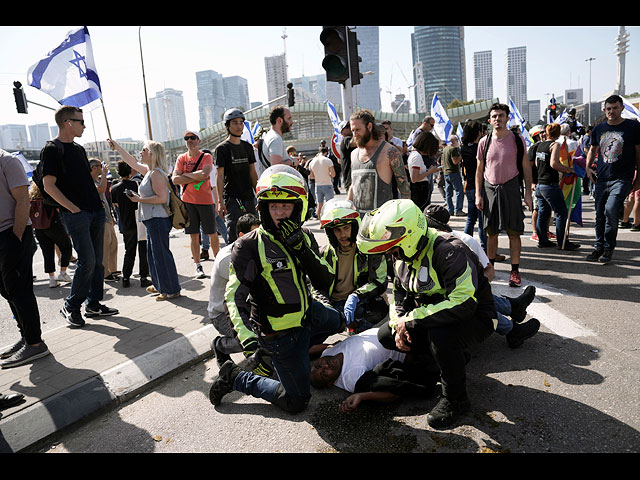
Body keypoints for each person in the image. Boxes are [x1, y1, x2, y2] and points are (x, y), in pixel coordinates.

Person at [209, 165, 344, 414]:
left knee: (340, 321)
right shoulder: (248, 246)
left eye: (286, 206)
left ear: (297, 207)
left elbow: (327, 282)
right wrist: (249, 342)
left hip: (307, 315)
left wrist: (301, 250)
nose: (280, 213)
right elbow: (233, 297)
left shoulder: (303, 236)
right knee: (297, 401)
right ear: (263, 208)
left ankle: (289, 358)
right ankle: (236, 377)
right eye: (273, 207)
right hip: (280, 335)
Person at [356, 199, 496, 429]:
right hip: (433, 311)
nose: (390, 253)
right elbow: (399, 295)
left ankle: (456, 398)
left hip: (476, 315)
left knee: (442, 337)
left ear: (408, 237)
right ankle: (445, 363)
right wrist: (398, 322)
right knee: (386, 335)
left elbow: (464, 302)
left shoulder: (449, 250)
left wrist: (411, 320)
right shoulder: (401, 255)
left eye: (392, 247)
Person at [41, 106, 118, 328]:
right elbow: (48, 185)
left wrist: (102, 180)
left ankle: (93, 304)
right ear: (67, 122)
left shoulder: (78, 149)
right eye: (81, 121)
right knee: (87, 261)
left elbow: (88, 184)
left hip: (95, 211)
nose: (84, 125)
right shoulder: (52, 149)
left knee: (98, 263)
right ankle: (71, 306)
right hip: (77, 215)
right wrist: (72, 208)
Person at [423, 204, 540, 349]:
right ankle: (512, 320)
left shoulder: (463, 241)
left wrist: (472, 287)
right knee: (469, 301)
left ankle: (512, 311)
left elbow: (488, 272)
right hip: (430, 301)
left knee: (472, 295)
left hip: (457, 293)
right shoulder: (416, 244)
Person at [108, 139, 182, 301]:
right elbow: (132, 162)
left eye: (144, 150)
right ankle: (159, 285)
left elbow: (162, 198)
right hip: (152, 219)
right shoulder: (150, 171)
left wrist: (138, 199)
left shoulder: (155, 173)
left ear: (152, 154)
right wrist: (117, 147)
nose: (141, 153)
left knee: (161, 256)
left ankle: (171, 290)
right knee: (153, 255)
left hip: (157, 219)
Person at [310, 328, 438, 413]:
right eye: (324, 374)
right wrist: (362, 396)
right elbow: (394, 391)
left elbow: (318, 348)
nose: (325, 366)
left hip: (393, 328)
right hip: (410, 347)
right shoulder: (352, 378)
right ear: (330, 383)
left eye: (318, 365)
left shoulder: (327, 353)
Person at [0, 149, 50, 368]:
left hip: (13, 232)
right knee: (7, 289)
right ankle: (26, 337)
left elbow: (23, 200)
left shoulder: (8, 161)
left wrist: (16, 237)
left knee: (20, 290)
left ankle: (36, 344)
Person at [475, 102, 533, 287]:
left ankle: (515, 271)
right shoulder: (484, 142)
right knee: (491, 233)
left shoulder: (517, 140)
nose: (497, 119)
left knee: (514, 232)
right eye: (494, 116)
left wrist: (528, 193)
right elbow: (479, 170)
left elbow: (525, 166)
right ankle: (490, 268)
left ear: (507, 118)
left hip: (511, 188)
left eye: (501, 115)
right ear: (490, 120)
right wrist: (478, 194)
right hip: (490, 188)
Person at [318, 198, 389, 334]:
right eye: (337, 230)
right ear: (330, 232)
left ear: (354, 227)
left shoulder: (368, 250)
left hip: (358, 301)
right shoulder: (323, 254)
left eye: (346, 228)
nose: (343, 234)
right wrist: (326, 308)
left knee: (379, 307)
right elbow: (316, 287)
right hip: (334, 304)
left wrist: (355, 296)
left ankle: (356, 330)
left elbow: (380, 280)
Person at [585, 94, 640, 263]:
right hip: (601, 178)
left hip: (622, 178)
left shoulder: (633, 127)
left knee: (610, 210)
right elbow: (593, 150)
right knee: (600, 215)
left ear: (622, 108)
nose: (611, 111)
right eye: (608, 109)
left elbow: (639, 153)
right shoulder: (599, 128)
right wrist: (587, 168)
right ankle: (598, 247)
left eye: (615, 108)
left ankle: (608, 248)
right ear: (604, 110)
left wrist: (638, 179)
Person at [208, 213, 261, 368]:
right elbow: (249, 291)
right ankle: (220, 345)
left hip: (245, 307)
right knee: (249, 339)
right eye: (253, 235)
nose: (258, 239)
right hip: (222, 314)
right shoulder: (228, 259)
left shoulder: (255, 249)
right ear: (241, 236)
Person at [172, 130, 220, 279]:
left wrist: (184, 177)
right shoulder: (181, 158)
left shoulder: (206, 156)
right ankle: (198, 266)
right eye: (187, 138)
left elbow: (205, 174)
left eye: (193, 137)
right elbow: (174, 180)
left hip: (206, 201)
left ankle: (218, 265)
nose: (189, 140)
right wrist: (195, 176)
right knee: (193, 236)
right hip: (188, 202)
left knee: (212, 233)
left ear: (199, 141)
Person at [347, 109, 410, 216]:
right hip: (358, 222)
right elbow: (354, 185)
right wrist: (347, 208)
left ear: (369, 127)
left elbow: (404, 188)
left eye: (357, 129)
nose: (354, 134)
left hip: (382, 222)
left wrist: (405, 215)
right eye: (352, 130)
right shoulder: (354, 154)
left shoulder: (389, 151)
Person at [529, 123, 580, 251]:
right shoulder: (555, 145)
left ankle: (543, 240)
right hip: (550, 184)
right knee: (561, 213)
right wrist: (569, 170)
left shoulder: (539, 145)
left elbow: (535, 163)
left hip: (540, 185)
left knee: (543, 213)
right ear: (558, 134)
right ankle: (562, 242)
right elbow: (554, 164)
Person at [215, 108, 258, 245]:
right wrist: (220, 201)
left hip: (248, 197)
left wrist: (259, 194)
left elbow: (252, 172)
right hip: (231, 200)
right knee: (233, 235)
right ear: (227, 125)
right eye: (235, 123)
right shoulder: (222, 149)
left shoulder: (247, 147)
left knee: (254, 233)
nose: (239, 126)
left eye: (241, 123)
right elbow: (220, 176)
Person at [110, 160, 151, 288]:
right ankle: (144, 277)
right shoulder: (137, 184)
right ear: (131, 171)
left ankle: (126, 278)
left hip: (126, 221)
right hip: (139, 220)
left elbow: (116, 205)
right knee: (143, 249)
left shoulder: (114, 188)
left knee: (129, 250)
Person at [28, 182, 73, 288]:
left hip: (38, 228)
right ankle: (63, 273)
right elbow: (59, 206)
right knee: (66, 247)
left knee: (47, 252)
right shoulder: (49, 194)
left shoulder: (32, 197)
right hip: (53, 224)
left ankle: (52, 278)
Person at [89, 159, 119, 281]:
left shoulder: (97, 180)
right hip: (100, 219)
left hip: (107, 217)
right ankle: (105, 273)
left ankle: (113, 269)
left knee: (113, 244)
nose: (102, 168)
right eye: (100, 166)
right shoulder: (90, 181)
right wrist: (105, 174)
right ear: (94, 168)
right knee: (105, 247)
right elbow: (101, 190)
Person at [460, 121, 487, 252]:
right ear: (478, 133)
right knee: (483, 221)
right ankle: (484, 249)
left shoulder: (463, 148)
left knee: (471, 218)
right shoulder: (481, 148)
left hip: (469, 186)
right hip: (481, 186)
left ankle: (465, 245)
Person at [256, 105, 296, 178]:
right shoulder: (276, 139)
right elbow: (276, 168)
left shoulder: (269, 136)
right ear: (280, 120)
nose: (291, 122)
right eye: (289, 118)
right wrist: (292, 162)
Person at [407, 130, 441, 211]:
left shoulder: (415, 155)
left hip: (420, 188)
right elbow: (414, 179)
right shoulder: (417, 157)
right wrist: (430, 171)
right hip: (419, 189)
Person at [308, 146, 335, 218]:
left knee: (319, 205)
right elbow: (333, 174)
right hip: (327, 184)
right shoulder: (328, 160)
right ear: (326, 152)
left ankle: (320, 222)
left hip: (318, 185)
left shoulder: (312, 162)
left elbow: (311, 176)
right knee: (330, 204)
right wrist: (327, 174)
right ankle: (330, 219)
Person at [442, 135, 465, 216]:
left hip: (446, 173)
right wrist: (461, 156)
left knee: (448, 194)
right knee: (459, 192)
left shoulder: (445, 149)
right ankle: (458, 210)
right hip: (454, 172)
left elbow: (442, 162)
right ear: (454, 141)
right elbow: (455, 161)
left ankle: (450, 210)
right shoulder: (453, 149)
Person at [339, 120, 356, 192]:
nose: (350, 128)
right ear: (342, 132)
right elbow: (354, 143)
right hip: (351, 180)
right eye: (348, 126)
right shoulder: (346, 140)